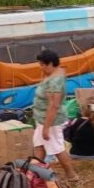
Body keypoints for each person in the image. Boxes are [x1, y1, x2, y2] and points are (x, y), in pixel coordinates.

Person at [32, 49, 77, 179]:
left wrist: (46, 127)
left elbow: (54, 105)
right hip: (42, 118)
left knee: (56, 148)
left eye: (42, 65)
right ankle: (35, 173)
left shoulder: (55, 80)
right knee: (39, 145)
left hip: (51, 120)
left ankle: (71, 174)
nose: (41, 67)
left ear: (50, 63)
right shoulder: (52, 74)